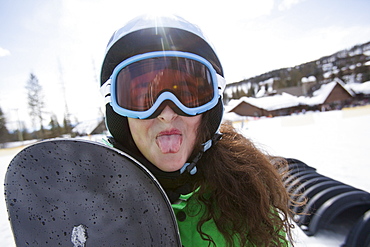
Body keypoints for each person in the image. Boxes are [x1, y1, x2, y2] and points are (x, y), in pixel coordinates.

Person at [100, 14, 295, 247]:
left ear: (209, 110)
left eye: (187, 94)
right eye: (144, 97)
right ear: (119, 115)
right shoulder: (90, 205)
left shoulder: (249, 197)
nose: (167, 113)